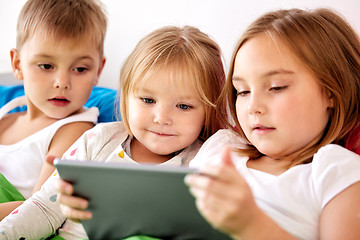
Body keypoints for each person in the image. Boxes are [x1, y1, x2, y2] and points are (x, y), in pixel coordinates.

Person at [0, 25, 225, 240]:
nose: (161, 118)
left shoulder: (205, 159)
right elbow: (44, 208)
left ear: (209, 109)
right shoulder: (98, 139)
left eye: (184, 106)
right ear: (126, 98)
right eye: (148, 100)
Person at [185, 8, 360, 240]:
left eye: (276, 87)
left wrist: (252, 225)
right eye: (242, 91)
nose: (253, 106)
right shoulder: (221, 146)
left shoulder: (336, 172)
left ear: (332, 92)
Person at [0, 0, 107, 221]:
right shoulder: (6, 117)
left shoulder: (76, 129)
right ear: (18, 64)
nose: (62, 82)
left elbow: (40, 208)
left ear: (98, 70)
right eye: (47, 66)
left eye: (80, 69)